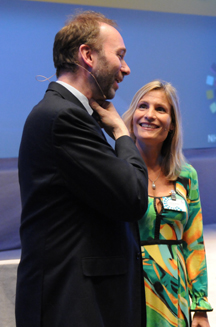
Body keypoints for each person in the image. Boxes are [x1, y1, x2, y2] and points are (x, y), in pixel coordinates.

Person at [16, 11, 148, 327]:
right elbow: (132, 197)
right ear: (87, 55)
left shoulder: (68, 113)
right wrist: (121, 132)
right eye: (120, 56)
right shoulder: (64, 117)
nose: (126, 68)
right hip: (74, 305)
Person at [117, 80, 212, 327]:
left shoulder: (186, 175)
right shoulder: (115, 169)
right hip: (128, 287)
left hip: (173, 294)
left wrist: (199, 306)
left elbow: (194, 242)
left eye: (160, 109)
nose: (149, 115)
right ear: (132, 116)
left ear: (172, 125)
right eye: (143, 106)